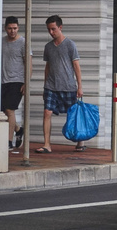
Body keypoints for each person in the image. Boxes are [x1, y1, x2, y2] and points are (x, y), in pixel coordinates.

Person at [35, 15, 85, 153]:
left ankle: (80, 141)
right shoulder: (48, 47)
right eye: (49, 30)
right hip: (51, 86)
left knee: (73, 114)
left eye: (53, 29)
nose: (51, 32)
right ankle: (47, 144)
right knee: (47, 112)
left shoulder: (70, 45)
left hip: (68, 86)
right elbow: (48, 67)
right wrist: (45, 86)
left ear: (60, 27)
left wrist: (80, 86)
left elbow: (76, 65)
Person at [1, 16, 32, 150]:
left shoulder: (23, 43)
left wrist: (27, 82)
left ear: (18, 28)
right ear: (5, 28)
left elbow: (29, 63)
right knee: (2, 111)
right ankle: (18, 129)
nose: (12, 31)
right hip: (2, 80)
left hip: (17, 81)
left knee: (9, 110)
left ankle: (9, 141)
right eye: (9, 28)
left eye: (14, 28)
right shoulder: (1, 41)